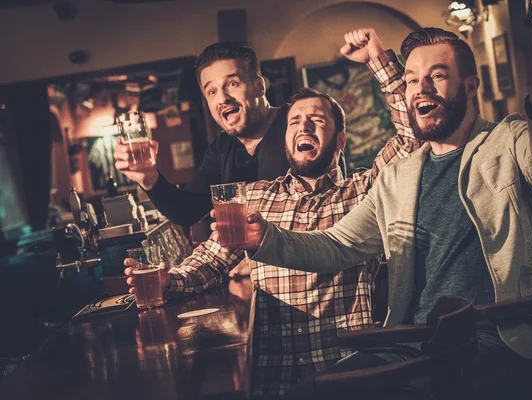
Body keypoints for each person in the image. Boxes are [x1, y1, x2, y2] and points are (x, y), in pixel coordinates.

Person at [227, 27, 532, 399]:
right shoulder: (399, 175)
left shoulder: (510, 139)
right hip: (413, 342)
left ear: (471, 86)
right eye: (411, 80)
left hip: (494, 341)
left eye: (437, 76)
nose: (421, 88)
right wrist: (265, 238)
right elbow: (337, 245)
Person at [124, 35, 420, 396]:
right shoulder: (254, 196)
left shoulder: (362, 191)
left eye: (317, 121)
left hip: (345, 373)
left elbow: (411, 137)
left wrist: (378, 60)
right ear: (285, 138)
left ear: (340, 141)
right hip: (271, 378)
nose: (304, 127)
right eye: (295, 121)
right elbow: (209, 259)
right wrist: (172, 280)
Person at [114, 42, 292, 227]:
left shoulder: (297, 125)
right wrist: (149, 178)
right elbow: (187, 212)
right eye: (212, 91)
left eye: (232, 84)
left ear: (259, 86)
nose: (222, 98)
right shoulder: (222, 147)